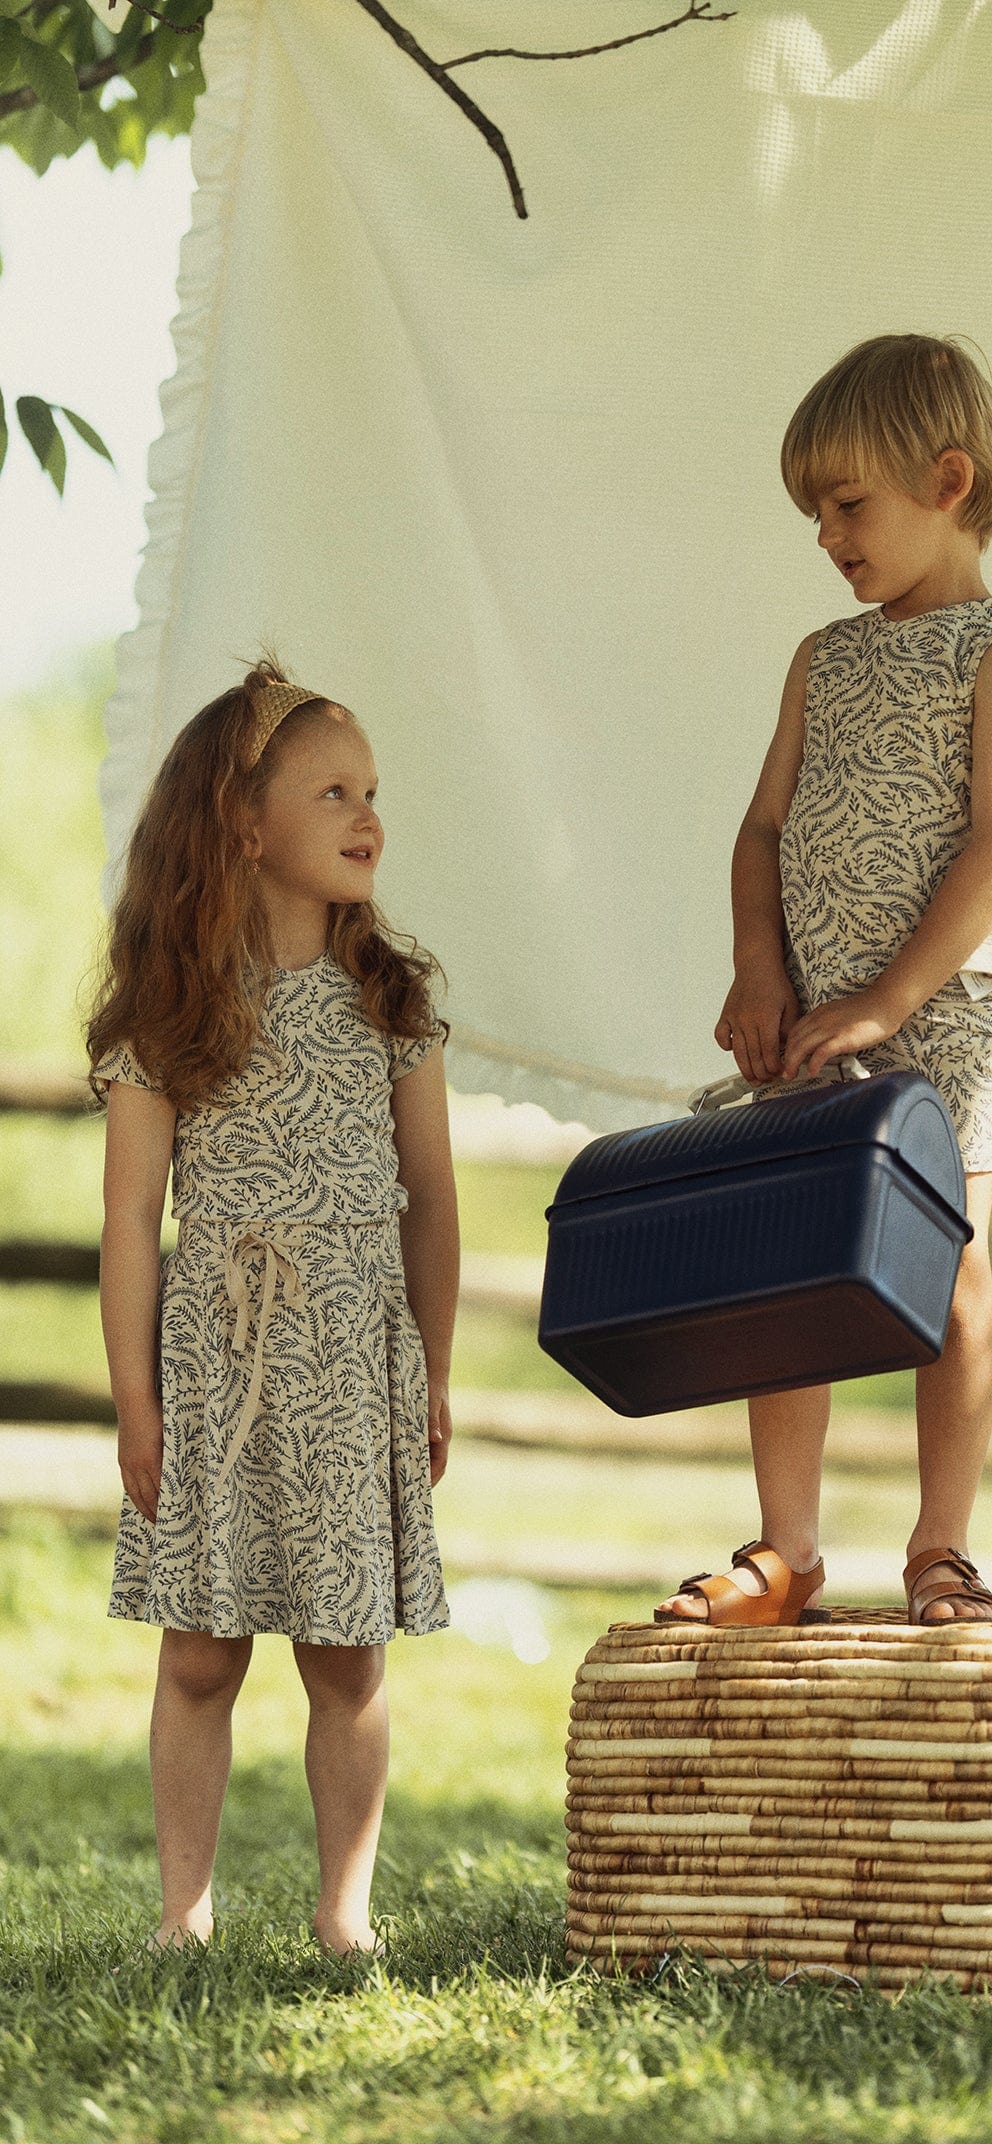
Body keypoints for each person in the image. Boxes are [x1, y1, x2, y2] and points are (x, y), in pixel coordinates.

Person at [656, 333, 992, 1631]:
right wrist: (760, 968)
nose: (825, 536)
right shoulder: (823, 659)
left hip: (937, 1024)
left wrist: (886, 1002)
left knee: (953, 1271)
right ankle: (787, 1551)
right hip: (813, 1029)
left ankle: (939, 1547)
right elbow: (762, 828)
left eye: (845, 505)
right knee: (788, 1270)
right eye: (813, 513)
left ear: (946, 479)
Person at [87, 657, 459, 1954]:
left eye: (372, 791)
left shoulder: (391, 1000)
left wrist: (437, 1373)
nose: (367, 815)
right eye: (332, 791)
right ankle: (181, 1913)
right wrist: (137, 1396)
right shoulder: (168, 1013)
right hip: (219, 1359)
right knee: (199, 1654)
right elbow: (133, 1215)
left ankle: (343, 1912)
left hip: (356, 1357)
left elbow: (434, 1203)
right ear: (245, 828)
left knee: (346, 1655)